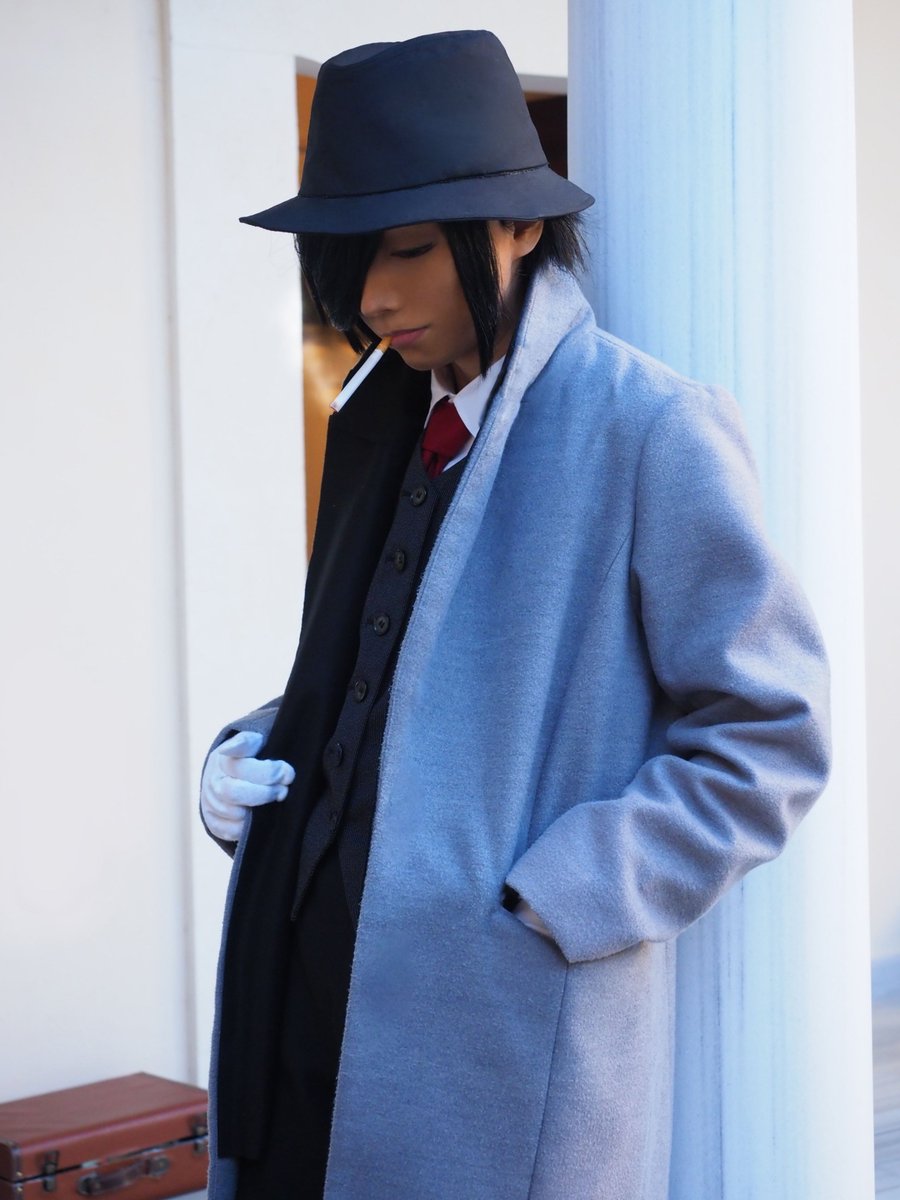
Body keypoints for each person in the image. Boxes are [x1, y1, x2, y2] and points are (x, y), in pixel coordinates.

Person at [199, 29, 830, 1200]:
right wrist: (250, 753)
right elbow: (382, 672)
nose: (375, 297)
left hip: (489, 1038)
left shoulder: (647, 427)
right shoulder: (376, 418)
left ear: (520, 227)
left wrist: (560, 892)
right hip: (301, 1011)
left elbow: (771, 734)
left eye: (408, 250)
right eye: (351, 259)